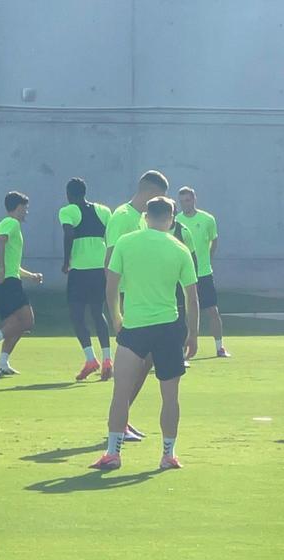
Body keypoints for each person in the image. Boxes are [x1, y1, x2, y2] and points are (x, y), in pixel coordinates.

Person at [90, 197, 199, 471]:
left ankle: (113, 453)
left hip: (134, 327)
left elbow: (111, 286)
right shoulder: (180, 249)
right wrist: (193, 334)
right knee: (170, 396)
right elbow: (192, 297)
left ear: (146, 216)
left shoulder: (126, 242)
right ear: (172, 219)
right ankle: (168, 454)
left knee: (121, 392)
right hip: (167, 329)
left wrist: (116, 317)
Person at [106, 170, 171, 442]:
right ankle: (118, 424)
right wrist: (115, 311)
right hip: (127, 300)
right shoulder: (122, 217)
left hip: (142, 300)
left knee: (146, 362)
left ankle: (124, 419)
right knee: (130, 366)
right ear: (148, 192)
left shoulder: (144, 220)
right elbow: (109, 263)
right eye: (159, 197)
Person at [0, 192, 43, 376]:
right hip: (6, 282)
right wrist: (1, 270)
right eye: (25, 208)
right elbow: (0, 243)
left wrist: (30, 276)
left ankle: (2, 363)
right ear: (17, 208)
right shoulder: (11, 223)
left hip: (2, 281)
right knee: (27, 321)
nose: (27, 212)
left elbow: (13, 263)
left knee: (14, 325)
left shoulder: (4, 224)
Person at [59, 178, 114, 381]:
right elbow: (110, 238)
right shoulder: (104, 211)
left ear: (68, 194)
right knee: (98, 313)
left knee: (77, 315)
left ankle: (91, 359)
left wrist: (66, 261)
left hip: (79, 270)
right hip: (99, 269)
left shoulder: (68, 211)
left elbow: (68, 233)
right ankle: (108, 359)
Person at [176, 187, 229, 357]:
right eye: (182, 201)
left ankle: (220, 347)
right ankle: (183, 351)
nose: (185, 204)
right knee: (182, 313)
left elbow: (214, 240)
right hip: (184, 275)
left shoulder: (207, 219)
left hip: (204, 273)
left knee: (212, 310)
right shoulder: (176, 221)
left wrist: (207, 259)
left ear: (194, 200)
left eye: (188, 200)